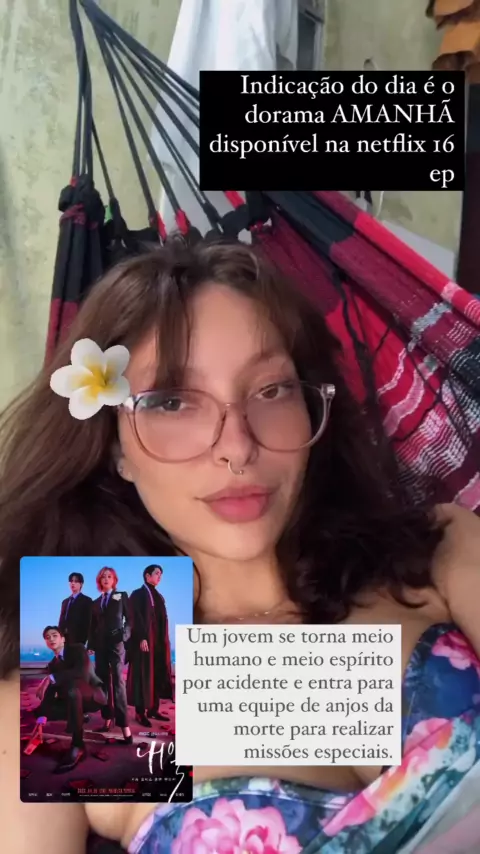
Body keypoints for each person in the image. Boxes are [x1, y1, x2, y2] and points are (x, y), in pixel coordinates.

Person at [0, 239, 479, 854]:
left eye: (272, 389)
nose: (237, 447)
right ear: (114, 447)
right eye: (172, 400)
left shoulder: (433, 552)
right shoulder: (84, 684)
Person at [31, 626, 107, 773]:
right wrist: (42, 716)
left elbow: (81, 672)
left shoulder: (77, 649)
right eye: (47, 637)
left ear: (63, 639)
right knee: (40, 711)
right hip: (73, 698)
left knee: (73, 689)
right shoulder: (53, 664)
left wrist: (51, 677)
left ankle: (77, 745)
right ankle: (80, 716)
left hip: (92, 695)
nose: (51, 639)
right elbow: (51, 689)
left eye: (54, 635)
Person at [88, 567, 132, 744]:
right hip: (100, 646)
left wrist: (124, 635)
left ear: (114, 580)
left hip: (116, 644)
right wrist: (91, 645)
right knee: (103, 683)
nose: (106, 579)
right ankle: (107, 719)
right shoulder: (95, 602)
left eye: (109, 576)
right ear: (99, 581)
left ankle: (125, 729)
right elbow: (93, 626)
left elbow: (130, 619)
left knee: (118, 683)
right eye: (103, 577)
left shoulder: (121, 596)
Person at [127, 564, 173, 726]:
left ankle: (153, 709)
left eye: (161, 574)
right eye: (157, 573)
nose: (160, 577)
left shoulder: (158, 596)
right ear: (147, 576)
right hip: (145, 642)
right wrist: (141, 638)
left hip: (158, 642)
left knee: (157, 674)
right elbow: (134, 617)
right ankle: (140, 713)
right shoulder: (138, 594)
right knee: (142, 676)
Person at [58, 572, 92, 646]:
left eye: (76, 581)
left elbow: (89, 622)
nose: (73, 583)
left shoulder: (87, 600)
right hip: (63, 639)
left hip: (78, 639)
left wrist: (84, 640)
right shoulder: (65, 602)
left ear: (81, 584)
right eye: (71, 581)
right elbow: (61, 620)